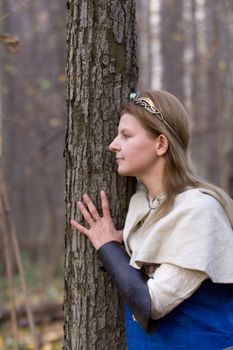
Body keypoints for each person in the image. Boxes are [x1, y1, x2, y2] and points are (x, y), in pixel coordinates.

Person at [71, 90, 233, 349]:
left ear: (160, 144)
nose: (113, 144)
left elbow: (152, 304)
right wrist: (122, 239)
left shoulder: (200, 209)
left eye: (126, 135)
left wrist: (108, 247)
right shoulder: (141, 205)